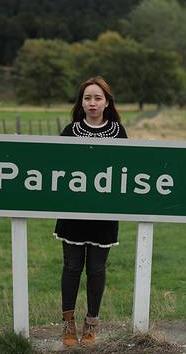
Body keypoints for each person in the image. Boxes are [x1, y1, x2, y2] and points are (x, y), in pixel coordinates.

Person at [53, 76, 127, 347]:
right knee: (72, 267)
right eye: (87, 98)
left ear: (107, 102)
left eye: (97, 98)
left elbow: (124, 170)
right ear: (81, 103)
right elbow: (57, 169)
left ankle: (91, 323)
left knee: (96, 269)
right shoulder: (70, 131)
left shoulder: (118, 132)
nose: (92, 103)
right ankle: (68, 324)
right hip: (73, 214)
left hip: (104, 215)